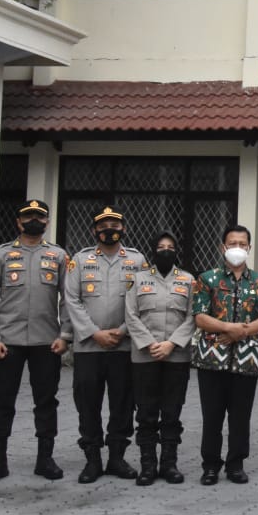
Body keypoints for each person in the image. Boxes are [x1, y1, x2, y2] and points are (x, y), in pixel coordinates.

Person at [0, 200, 71, 484]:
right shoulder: (2, 254)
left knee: (46, 402)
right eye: (28, 216)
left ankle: (45, 459)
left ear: (46, 222)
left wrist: (65, 335)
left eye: (39, 217)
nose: (34, 221)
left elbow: (69, 298)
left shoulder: (58, 255)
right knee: (2, 402)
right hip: (8, 342)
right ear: (18, 222)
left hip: (47, 342)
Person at [62, 206, 144, 484]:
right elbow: (71, 300)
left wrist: (121, 331)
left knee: (123, 404)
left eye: (115, 224)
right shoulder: (80, 260)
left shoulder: (136, 260)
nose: (110, 228)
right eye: (104, 224)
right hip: (89, 348)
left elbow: (141, 300)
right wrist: (93, 333)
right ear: (94, 230)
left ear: (124, 228)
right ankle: (93, 460)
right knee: (88, 404)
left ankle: (117, 458)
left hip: (123, 347)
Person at [191, 224, 258, 485]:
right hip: (212, 359)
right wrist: (228, 328)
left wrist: (243, 332)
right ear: (222, 247)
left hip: (246, 359)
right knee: (212, 415)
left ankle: (236, 464)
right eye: (232, 243)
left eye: (242, 243)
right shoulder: (207, 279)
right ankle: (210, 465)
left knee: (240, 416)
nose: (237, 248)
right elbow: (200, 317)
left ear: (249, 248)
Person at [123, 231, 197, 485]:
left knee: (172, 412)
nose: (165, 251)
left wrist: (171, 344)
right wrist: (150, 344)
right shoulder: (138, 279)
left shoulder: (187, 280)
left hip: (176, 357)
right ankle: (147, 465)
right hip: (144, 357)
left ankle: (169, 464)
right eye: (160, 247)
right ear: (152, 251)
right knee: (146, 412)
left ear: (177, 251)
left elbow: (192, 317)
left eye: (170, 247)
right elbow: (131, 316)